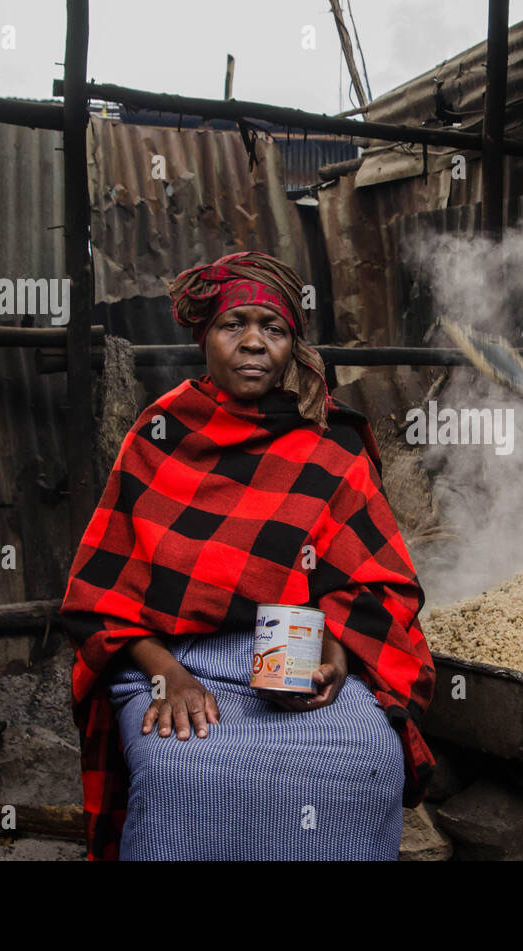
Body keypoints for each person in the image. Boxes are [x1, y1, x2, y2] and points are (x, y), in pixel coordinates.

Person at [59, 251, 436, 861]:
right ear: (204, 337)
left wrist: (336, 661)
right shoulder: (159, 437)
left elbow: (375, 588)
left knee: (367, 759)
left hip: (300, 661)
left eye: (275, 328)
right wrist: (168, 676)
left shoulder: (331, 442)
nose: (254, 342)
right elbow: (99, 601)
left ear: (292, 346)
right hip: (177, 657)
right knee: (180, 772)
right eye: (235, 325)